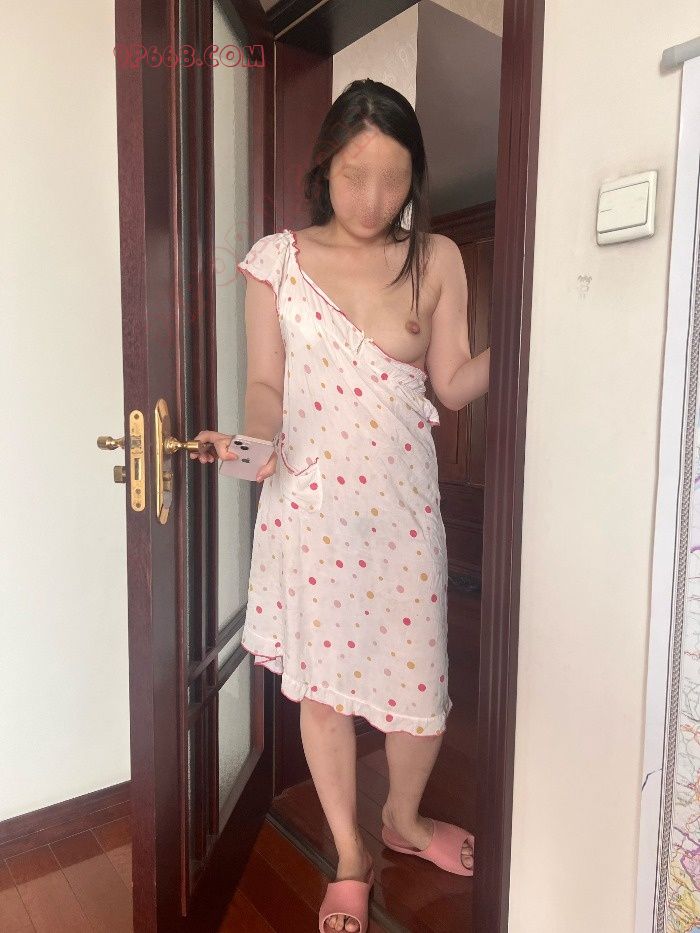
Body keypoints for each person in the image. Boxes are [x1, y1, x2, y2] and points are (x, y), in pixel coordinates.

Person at [193, 78, 490, 933]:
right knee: (322, 697)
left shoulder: (437, 259)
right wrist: (253, 441)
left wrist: (530, 335)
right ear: (325, 166)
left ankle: (403, 819)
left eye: (394, 179)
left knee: (419, 693)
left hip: (404, 517)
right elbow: (264, 383)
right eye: (356, 174)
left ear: (414, 178)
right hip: (311, 515)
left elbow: (452, 383)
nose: (372, 198)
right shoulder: (275, 261)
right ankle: (351, 855)